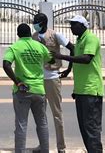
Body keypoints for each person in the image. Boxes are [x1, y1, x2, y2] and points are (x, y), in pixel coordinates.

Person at [53, 15, 104, 153]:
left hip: (91, 90)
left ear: (82, 25)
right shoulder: (80, 39)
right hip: (81, 90)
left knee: (92, 128)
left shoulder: (90, 38)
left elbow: (86, 59)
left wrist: (62, 56)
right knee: (84, 128)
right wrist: (68, 70)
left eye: (73, 24)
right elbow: (76, 55)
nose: (71, 27)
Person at [3, 23, 53, 153]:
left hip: (22, 90)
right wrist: (43, 48)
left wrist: (17, 81)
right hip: (39, 90)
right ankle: (45, 150)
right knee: (42, 123)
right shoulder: (39, 46)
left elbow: (6, 65)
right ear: (30, 33)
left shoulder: (15, 47)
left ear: (18, 34)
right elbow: (51, 60)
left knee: (21, 125)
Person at [32, 13, 75, 153]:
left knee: (56, 113)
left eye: (36, 22)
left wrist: (69, 69)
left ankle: (61, 147)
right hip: (38, 79)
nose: (34, 24)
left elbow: (72, 48)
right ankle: (43, 145)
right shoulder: (33, 37)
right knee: (40, 115)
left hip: (52, 77)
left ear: (43, 23)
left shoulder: (55, 35)